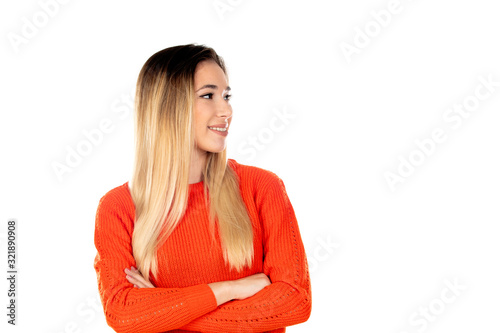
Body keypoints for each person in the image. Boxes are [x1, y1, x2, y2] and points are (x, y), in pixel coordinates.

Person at [93, 43, 311, 332]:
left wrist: (167, 313)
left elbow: (294, 300)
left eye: (226, 96)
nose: (226, 110)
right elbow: (124, 313)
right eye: (208, 95)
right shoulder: (119, 207)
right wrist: (230, 289)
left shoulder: (262, 188)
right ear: (168, 106)